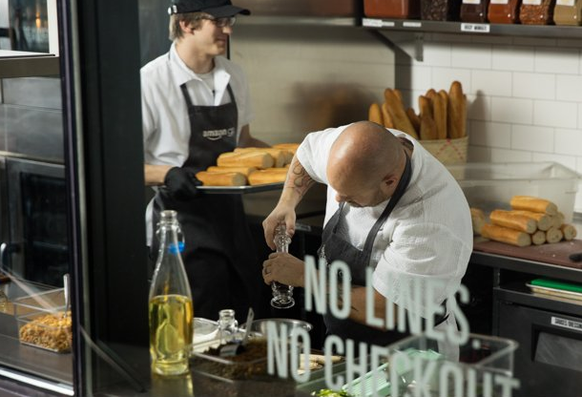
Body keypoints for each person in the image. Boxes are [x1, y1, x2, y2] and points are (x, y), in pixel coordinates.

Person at [262, 121, 473, 352]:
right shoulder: (353, 148)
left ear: (389, 182)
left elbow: (385, 311)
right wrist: (286, 203)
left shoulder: (431, 219)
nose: (337, 200)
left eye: (350, 198)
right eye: (335, 189)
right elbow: (308, 155)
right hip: (345, 343)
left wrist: (305, 276)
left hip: (412, 357)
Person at [141, 0, 268, 322]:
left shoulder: (232, 75)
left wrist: (300, 159)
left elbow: (245, 143)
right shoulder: (152, 82)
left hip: (232, 219)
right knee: (199, 321)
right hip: (180, 224)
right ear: (187, 24)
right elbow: (119, 165)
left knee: (246, 312)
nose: (227, 30)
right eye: (219, 21)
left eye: (230, 22)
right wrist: (168, 173)